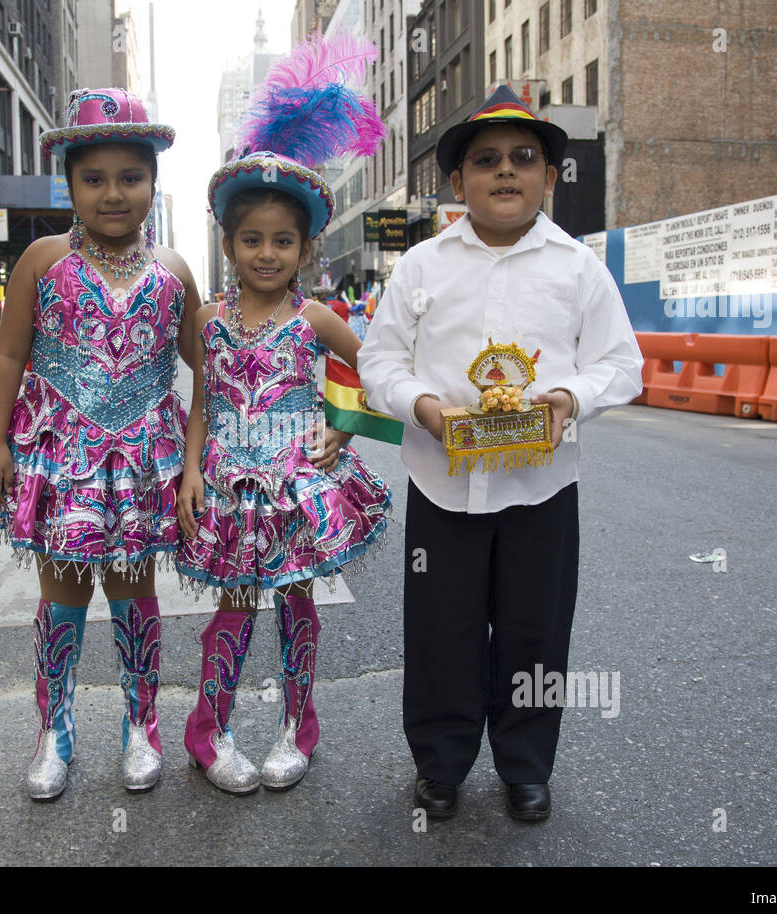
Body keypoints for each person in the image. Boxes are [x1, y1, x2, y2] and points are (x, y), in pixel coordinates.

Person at [357, 84, 643, 823]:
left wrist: (568, 400)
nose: (506, 172)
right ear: (459, 182)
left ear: (551, 176)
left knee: (535, 630)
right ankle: (441, 765)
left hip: (542, 486)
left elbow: (622, 364)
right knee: (440, 630)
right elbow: (379, 362)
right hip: (443, 481)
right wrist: (421, 406)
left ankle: (525, 765)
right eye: (487, 161)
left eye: (524, 158)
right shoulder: (421, 266)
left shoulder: (578, 269)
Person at [0, 88, 202, 800]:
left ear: (154, 184)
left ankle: (142, 725)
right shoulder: (41, 260)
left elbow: (210, 368)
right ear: (68, 184)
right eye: (93, 179)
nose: (113, 194)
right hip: (60, 458)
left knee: (134, 593)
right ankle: (56, 730)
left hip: (141, 463)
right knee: (62, 593)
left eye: (130, 178)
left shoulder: (174, 270)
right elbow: (9, 358)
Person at [176, 35, 390, 795]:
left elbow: (375, 372)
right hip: (231, 481)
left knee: (298, 605)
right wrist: (193, 469)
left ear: (305, 246)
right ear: (229, 243)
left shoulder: (319, 319)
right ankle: (210, 731)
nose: (266, 253)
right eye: (251, 240)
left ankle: (300, 730)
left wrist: (345, 424)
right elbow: (200, 402)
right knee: (233, 608)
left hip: (299, 480)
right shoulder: (206, 318)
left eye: (283, 241)